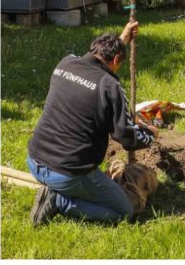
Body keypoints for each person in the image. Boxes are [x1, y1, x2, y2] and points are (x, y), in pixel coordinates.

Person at [27, 21, 156, 226]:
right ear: (115, 59)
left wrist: (121, 41)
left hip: (35, 160)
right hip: (69, 173)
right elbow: (126, 137)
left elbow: (94, 68)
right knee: (124, 211)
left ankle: (54, 188)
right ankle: (59, 200)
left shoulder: (65, 63)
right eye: (118, 62)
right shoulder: (110, 86)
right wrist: (150, 134)